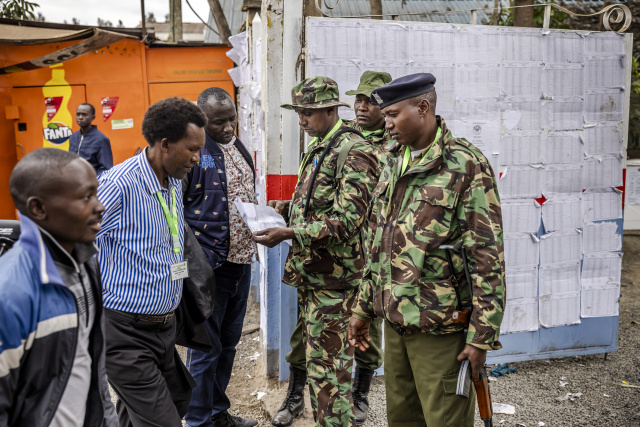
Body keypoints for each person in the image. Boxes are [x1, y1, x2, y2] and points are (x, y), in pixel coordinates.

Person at [348, 73, 506, 427]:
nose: (386, 124)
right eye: (384, 115)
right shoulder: (391, 160)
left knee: (445, 420)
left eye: (392, 115)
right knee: (402, 420)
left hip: (441, 330)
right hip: (396, 323)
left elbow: (487, 257)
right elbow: (379, 243)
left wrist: (481, 338)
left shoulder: (464, 164)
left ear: (423, 108)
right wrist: (362, 308)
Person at [255, 76, 382, 427]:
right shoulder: (320, 144)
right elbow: (318, 203)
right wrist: (286, 209)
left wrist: (290, 232)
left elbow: (348, 220)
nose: (301, 119)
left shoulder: (354, 149)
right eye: (298, 112)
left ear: (330, 110)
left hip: (337, 281)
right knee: (318, 364)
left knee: (329, 373)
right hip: (315, 275)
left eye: (308, 112)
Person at [96, 97, 206, 426]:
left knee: (175, 399)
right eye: (192, 149)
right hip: (125, 333)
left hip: (165, 326)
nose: (197, 158)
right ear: (164, 144)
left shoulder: (173, 180)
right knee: (162, 420)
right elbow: (77, 243)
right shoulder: (118, 185)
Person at [0, 148, 116, 427]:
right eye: (86, 197)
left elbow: (90, 368)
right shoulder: (10, 293)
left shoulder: (87, 262)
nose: (100, 206)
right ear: (38, 208)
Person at [183, 87, 258, 427]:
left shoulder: (238, 146)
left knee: (228, 346)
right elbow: (177, 213)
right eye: (219, 122)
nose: (228, 127)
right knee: (204, 351)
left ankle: (217, 414)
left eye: (232, 119)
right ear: (202, 121)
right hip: (210, 268)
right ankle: (197, 422)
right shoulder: (194, 154)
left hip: (241, 264)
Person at [345, 70, 394, 149]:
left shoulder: (397, 138)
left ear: (386, 105)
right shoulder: (343, 131)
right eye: (358, 101)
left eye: (371, 102)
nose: (361, 108)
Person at [69, 103, 113, 175]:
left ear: (93, 117)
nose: (80, 117)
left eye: (84, 114)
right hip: (74, 182)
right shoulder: (73, 137)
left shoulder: (101, 139)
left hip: (92, 183)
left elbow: (106, 169)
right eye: (78, 114)